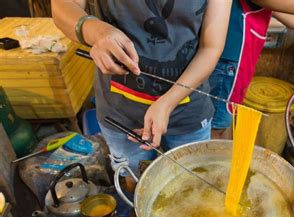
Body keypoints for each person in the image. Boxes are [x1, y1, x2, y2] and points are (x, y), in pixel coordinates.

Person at [52, 0, 232, 174]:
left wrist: (167, 103)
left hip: (188, 111)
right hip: (119, 111)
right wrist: (95, 31)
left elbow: (210, 48)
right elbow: (62, 6)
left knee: (190, 181)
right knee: (133, 178)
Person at [209, 0, 294, 139]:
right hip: (230, 58)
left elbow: (272, 5)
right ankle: (206, 157)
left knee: (224, 120)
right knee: (216, 125)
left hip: (241, 58)